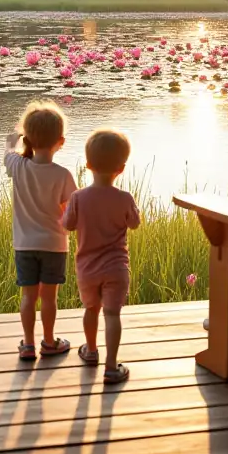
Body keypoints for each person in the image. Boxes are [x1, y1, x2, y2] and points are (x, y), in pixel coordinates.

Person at [61, 128, 141, 385]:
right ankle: (110, 367)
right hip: (117, 269)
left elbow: (67, 225)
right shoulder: (124, 198)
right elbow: (135, 223)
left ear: (87, 165)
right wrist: (131, 209)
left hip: (87, 270)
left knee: (91, 310)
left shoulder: (78, 198)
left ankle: (91, 350)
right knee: (112, 315)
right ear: (122, 168)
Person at [4, 100, 77, 361]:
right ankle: (49, 341)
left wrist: (14, 139)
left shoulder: (18, 167)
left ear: (29, 139)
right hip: (55, 246)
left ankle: (27, 344)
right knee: (49, 298)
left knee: (28, 296)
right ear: (61, 141)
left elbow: (8, 150)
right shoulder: (63, 175)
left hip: (24, 245)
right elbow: (72, 212)